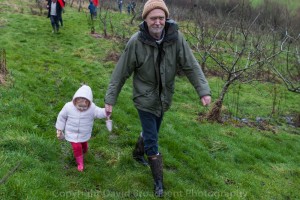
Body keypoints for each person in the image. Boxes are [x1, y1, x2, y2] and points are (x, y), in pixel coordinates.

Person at [104, 0, 211, 197]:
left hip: (164, 98)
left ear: (166, 18)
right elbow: (120, 73)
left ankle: (137, 153)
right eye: (153, 18)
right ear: (145, 19)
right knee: (153, 140)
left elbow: (191, 65)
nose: (158, 22)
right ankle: (158, 183)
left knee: (150, 131)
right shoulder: (136, 42)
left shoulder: (176, 38)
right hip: (144, 99)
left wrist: (203, 91)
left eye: (161, 18)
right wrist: (110, 100)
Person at [55, 85, 108, 171]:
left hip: (84, 132)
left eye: (84, 107)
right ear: (75, 101)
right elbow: (61, 117)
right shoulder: (68, 107)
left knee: (83, 143)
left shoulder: (92, 108)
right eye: (79, 106)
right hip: (71, 133)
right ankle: (80, 162)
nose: (82, 108)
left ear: (89, 103)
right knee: (77, 147)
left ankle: (85, 151)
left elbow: (99, 112)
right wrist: (59, 128)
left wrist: (106, 111)